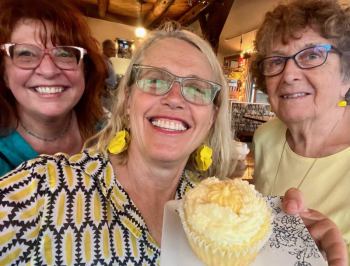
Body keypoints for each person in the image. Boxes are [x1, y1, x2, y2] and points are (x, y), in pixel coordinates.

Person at [0, 22, 347, 266]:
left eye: (196, 88)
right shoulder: (43, 190)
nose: (175, 98)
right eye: (155, 80)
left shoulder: (214, 212)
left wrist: (289, 253)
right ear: (126, 100)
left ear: (211, 118)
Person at [250, 0, 350, 259]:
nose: (289, 74)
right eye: (275, 61)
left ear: (346, 76)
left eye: (313, 54)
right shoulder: (264, 139)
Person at [0, 0, 107, 176]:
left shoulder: (108, 133)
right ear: (4, 74)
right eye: (26, 53)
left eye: (65, 54)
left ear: (85, 70)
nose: (48, 71)